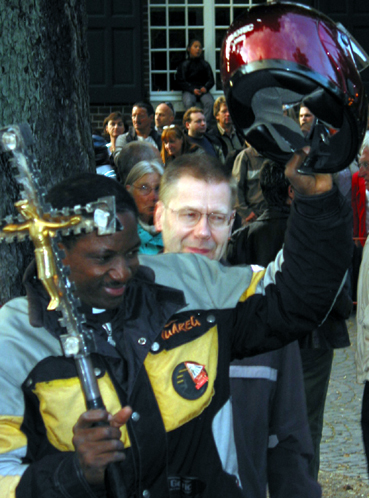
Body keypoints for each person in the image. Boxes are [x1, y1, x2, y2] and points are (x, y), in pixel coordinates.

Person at [0, 150, 352, 498]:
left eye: (131, 253)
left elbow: (293, 301)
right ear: (57, 254)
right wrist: (74, 473)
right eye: (103, 257)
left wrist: (317, 199)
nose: (123, 271)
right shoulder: (15, 337)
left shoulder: (188, 286)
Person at [153, 155, 320, 497]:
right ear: (159, 216)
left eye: (216, 218)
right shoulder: (124, 309)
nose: (202, 232)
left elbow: (289, 445)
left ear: (232, 224)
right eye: (189, 214)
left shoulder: (261, 308)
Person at [227, 161, 351, 481]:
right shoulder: (316, 231)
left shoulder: (239, 239)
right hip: (313, 341)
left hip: (254, 344)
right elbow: (335, 292)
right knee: (304, 426)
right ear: (292, 190)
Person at [124, 160, 164, 254]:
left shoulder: (175, 230)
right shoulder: (123, 234)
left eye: (158, 188)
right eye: (144, 188)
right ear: (129, 191)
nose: (153, 197)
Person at [176, 38, 215, 125]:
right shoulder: (184, 64)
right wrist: (191, 89)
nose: (198, 49)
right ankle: (192, 124)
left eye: (200, 47)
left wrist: (206, 87)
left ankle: (205, 125)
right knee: (189, 102)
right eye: (195, 47)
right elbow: (180, 81)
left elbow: (211, 80)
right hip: (189, 90)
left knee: (210, 102)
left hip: (202, 90)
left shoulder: (205, 64)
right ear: (189, 49)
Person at [231, 146, 270, 224]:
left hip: (271, 215)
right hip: (253, 217)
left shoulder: (274, 155)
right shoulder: (245, 156)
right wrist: (246, 213)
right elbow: (235, 189)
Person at [352, 132, 369, 248]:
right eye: (362, 164)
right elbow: (355, 207)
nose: (361, 174)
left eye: (367, 165)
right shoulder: (356, 179)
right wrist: (357, 236)